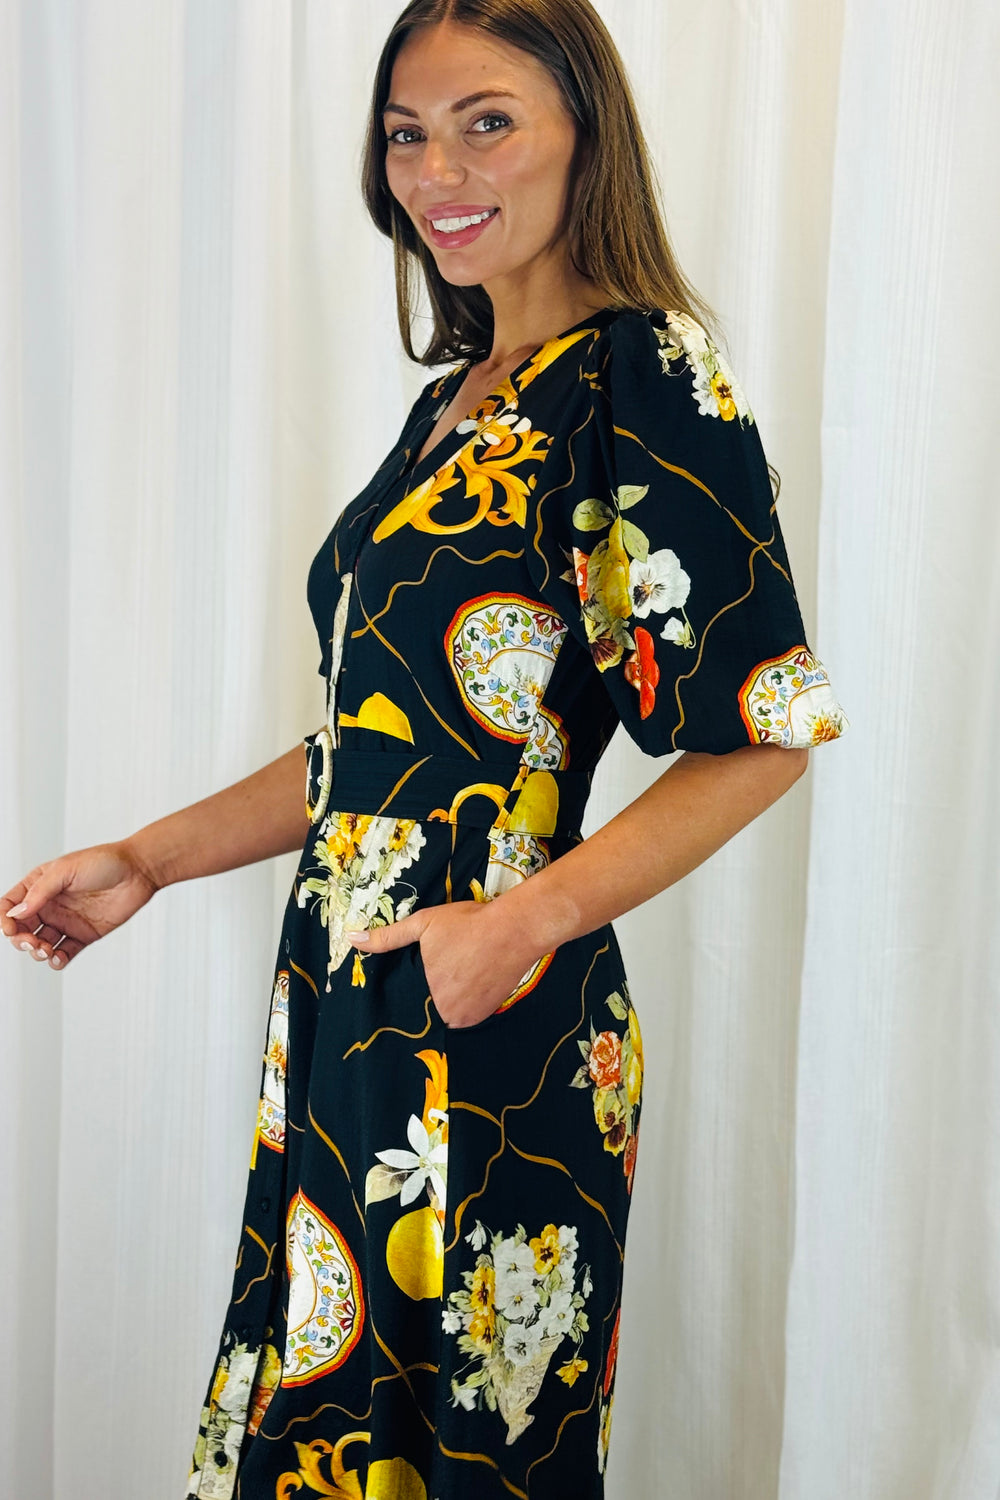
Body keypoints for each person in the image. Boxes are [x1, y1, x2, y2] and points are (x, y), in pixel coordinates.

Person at [1, 1, 849, 1495]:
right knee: (328, 1432)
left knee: (464, 1454)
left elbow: (762, 734)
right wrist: (146, 859)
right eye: (407, 132)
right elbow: (373, 745)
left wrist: (519, 923)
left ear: (587, 132)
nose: (437, 170)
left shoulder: (641, 375)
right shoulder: (449, 407)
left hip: (495, 1005)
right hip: (348, 1003)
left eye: (487, 121)